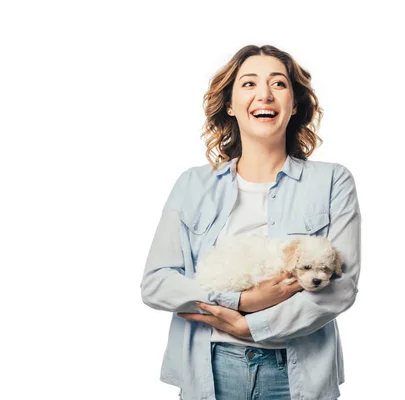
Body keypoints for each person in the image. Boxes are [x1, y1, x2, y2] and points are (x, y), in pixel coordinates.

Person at [141, 44, 361, 400]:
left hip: (296, 372)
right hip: (210, 367)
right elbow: (156, 284)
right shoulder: (192, 185)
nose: (264, 94)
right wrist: (241, 300)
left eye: (278, 84)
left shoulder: (333, 181)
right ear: (230, 104)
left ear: (294, 104)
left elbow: (341, 287)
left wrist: (253, 325)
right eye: (248, 84)